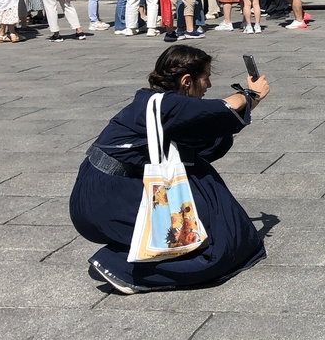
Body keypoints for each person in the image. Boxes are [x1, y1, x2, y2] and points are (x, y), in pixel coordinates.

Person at [68, 45, 270, 294]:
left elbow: (208, 135)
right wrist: (251, 95)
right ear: (187, 81)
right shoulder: (165, 105)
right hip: (105, 200)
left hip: (100, 194)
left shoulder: (159, 105)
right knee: (218, 243)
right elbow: (221, 108)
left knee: (206, 198)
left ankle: (126, 258)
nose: (208, 85)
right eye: (205, 77)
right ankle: (120, 266)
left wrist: (251, 102)